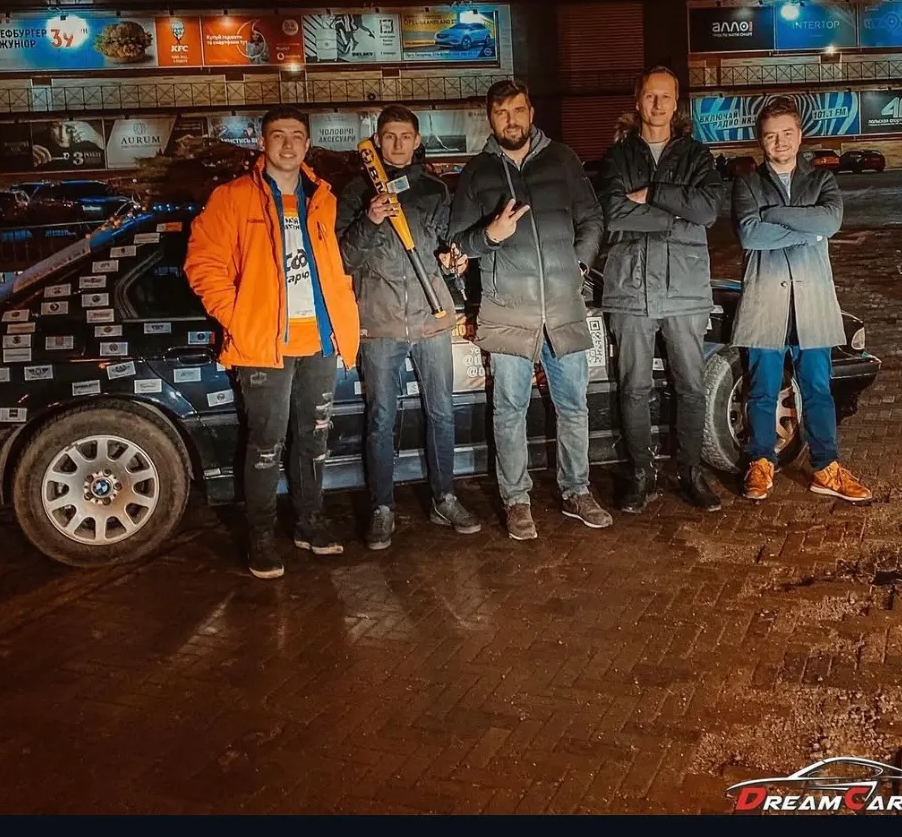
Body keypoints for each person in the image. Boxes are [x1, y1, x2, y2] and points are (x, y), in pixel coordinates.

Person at [185, 105, 361, 579]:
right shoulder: (233, 198)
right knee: (265, 443)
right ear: (263, 143)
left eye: (297, 135)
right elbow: (203, 263)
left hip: (319, 341)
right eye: (278, 135)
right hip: (265, 345)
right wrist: (239, 317)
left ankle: (310, 523)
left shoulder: (321, 197)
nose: (288, 144)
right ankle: (261, 536)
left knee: (314, 438)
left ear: (308, 144)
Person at [450, 79, 608, 541]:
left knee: (574, 406)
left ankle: (577, 491)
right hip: (507, 310)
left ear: (531, 112)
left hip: (563, 308)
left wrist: (580, 265)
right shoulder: (476, 172)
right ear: (489, 118)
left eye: (518, 110)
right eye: (501, 113)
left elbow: (592, 218)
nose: (511, 120)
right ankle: (516, 501)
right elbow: (458, 243)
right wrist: (489, 236)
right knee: (509, 409)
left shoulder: (562, 159)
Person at [336, 105, 480, 549]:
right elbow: (342, 259)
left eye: (405, 136)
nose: (398, 143)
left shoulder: (434, 189)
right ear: (376, 140)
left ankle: (445, 497)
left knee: (441, 413)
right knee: (381, 418)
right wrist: (370, 220)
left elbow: (448, 251)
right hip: (379, 326)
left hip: (431, 321)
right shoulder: (355, 192)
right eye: (389, 136)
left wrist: (456, 262)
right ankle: (382, 507)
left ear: (417, 141)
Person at [731, 96, 872, 504]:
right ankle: (761, 462)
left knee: (818, 389)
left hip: (813, 300)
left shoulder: (822, 179)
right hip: (765, 299)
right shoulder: (747, 183)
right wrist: (807, 228)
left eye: (787, 133)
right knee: (762, 388)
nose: (780, 142)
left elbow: (830, 221)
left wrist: (773, 214)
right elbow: (750, 234)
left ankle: (826, 467)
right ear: (760, 140)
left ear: (800, 134)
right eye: (771, 136)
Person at [599, 66, 723, 513]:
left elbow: (707, 210)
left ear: (676, 103)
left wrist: (651, 193)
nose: (657, 104)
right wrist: (673, 216)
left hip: (685, 288)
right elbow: (613, 212)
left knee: (691, 385)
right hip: (630, 287)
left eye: (665, 96)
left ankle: (689, 472)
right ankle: (641, 474)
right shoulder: (617, 156)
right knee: (633, 386)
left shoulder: (697, 155)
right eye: (650, 96)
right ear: (638, 101)